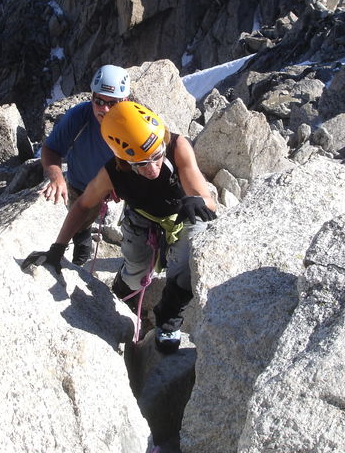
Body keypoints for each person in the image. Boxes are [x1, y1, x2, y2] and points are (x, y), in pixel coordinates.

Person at [24, 101, 217, 354]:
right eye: (141, 164)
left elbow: (208, 202)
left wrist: (198, 201)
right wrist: (57, 248)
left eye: (157, 156)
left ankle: (169, 315)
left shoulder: (177, 146)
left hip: (182, 213)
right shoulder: (113, 172)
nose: (153, 168)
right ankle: (123, 290)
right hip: (141, 218)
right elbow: (82, 205)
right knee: (135, 273)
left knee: (192, 250)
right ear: (125, 161)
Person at [39, 65, 130, 265]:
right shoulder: (79, 116)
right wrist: (57, 177)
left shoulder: (134, 124)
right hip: (80, 184)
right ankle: (81, 257)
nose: (104, 109)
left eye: (112, 103)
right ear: (92, 97)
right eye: (99, 101)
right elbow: (51, 149)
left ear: (124, 101)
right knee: (81, 225)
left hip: (116, 187)